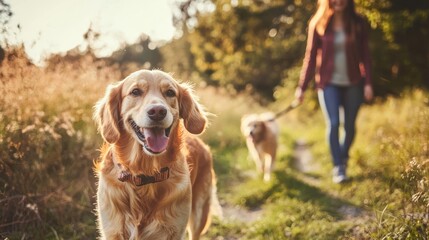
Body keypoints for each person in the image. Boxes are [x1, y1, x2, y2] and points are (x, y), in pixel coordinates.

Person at [295, 0, 374, 183]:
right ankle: (338, 167)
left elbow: (366, 56)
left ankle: (343, 156)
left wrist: (368, 82)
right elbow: (311, 57)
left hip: (354, 81)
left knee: (349, 125)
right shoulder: (318, 23)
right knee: (333, 122)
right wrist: (301, 87)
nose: (338, 1)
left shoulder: (358, 23)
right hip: (328, 82)